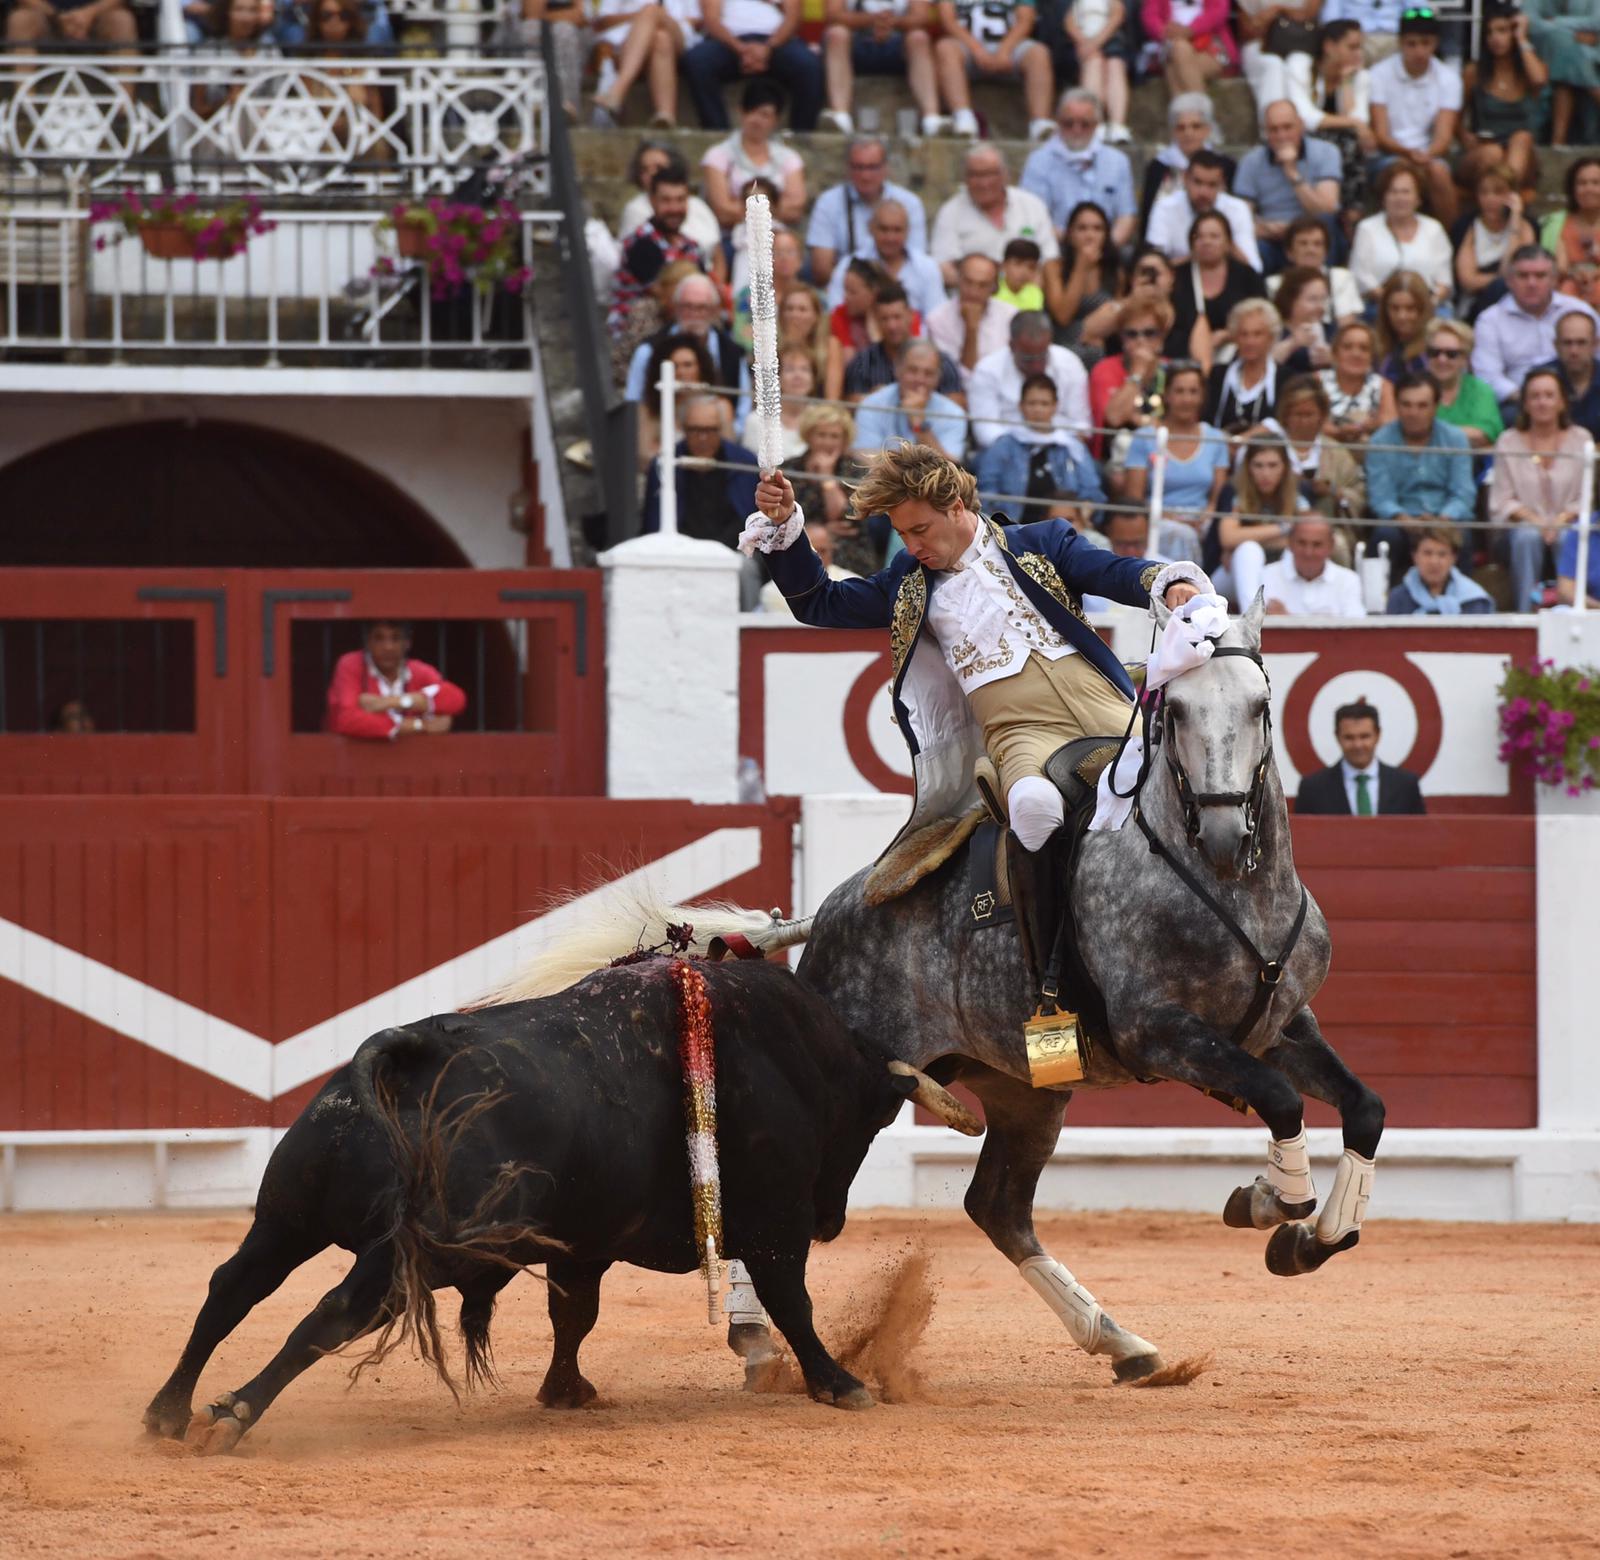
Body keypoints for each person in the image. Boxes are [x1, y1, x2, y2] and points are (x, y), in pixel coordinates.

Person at [745, 441, 1205, 1036]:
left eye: (920, 530)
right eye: (902, 534)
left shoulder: (1041, 542)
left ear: (958, 507)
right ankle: (1051, 994)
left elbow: (1109, 570)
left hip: (1105, 708)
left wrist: (1165, 584)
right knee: (1033, 807)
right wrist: (786, 527)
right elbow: (819, 602)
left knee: (1194, 786)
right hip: (1019, 732)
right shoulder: (910, 584)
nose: (912, 545)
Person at [1489, 368, 1592, 611]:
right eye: (1534, 396)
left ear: (1562, 402)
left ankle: (1571, 612)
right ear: (1525, 404)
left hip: (1568, 523)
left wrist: (1560, 521)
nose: (1542, 402)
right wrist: (1538, 522)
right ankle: (1525, 614)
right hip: (1519, 530)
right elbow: (1502, 500)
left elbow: (1587, 497)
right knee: (1528, 536)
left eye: (1549, 395)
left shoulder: (1581, 439)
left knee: (1567, 537)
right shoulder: (1508, 441)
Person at [1366, 372, 1476, 575]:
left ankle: (1462, 594)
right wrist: (1405, 520)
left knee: (1462, 535)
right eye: (1406, 405)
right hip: (1401, 522)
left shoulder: (1455, 438)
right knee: (1385, 535)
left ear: (1435, 406)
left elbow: (1463, 493)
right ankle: (1379, 595)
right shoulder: (1380, 441)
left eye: (1422, 406)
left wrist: (1442, 520)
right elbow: (1381, 498)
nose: (1413, 413)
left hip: (1445, 519)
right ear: (1396, 405)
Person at [1121, 362, 1231, 557]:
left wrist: (1204, 519)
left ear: (1202, 396)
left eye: (1193, 392)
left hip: (1203, 522)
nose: (1186, 399)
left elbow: (1217, 499)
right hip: (1157, 520)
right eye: (1179, 391)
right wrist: (1175, 519)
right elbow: (1135, 499)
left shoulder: (1216, 439)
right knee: (1182, 534)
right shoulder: (1144, 437)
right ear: (1167, 395)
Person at [1367, 6, 1461, 229]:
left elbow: (1444, 136)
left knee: (1439, 171)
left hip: (1429, 156)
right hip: (1389, 155)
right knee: (1398, 171)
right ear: (1400, 43)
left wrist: (1426, 155)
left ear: (1435, 43)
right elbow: (1381, 134)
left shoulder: (1449, 78)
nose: (1419, 51)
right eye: (1412, 44)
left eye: (1426, 43)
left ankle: (1451, 239)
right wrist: (1409, 153)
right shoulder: (1379, 74)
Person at [1473, 243, 1600, 407]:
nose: (1531, 283)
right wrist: (1533, 399)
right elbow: (1487, 376)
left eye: (1540, 276)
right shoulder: (1490, 320)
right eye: (1523, 276)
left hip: (1582, 398)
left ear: (1554, 280)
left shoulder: (1579, 311)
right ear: (1509, 281)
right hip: (1519, 403)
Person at [975, 372, 1107, 526]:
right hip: (1013, 529)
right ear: (1021, 406)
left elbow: (1092, 491)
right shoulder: (1002, 446)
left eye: (1044, 404)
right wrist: (1002, 524)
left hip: (1064, 531)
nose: (1038, 409)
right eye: (1032, 403)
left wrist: (1082, 516)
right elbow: (987, 490)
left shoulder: (1072, 446)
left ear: (1055, 407)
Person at [1021, 88, 1139, 250]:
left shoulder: (1118, 161)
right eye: (1069, 124)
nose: (1077, 130)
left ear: (1096, 124)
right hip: (1056, 248)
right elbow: (1032, 217)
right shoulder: (1038, 161)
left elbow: (1126, 216)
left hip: (1108, 249)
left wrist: (1105, 247)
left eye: (1085, 124)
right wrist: (1076, 244)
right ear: (1057, 122)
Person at [1234, 101, 1343, 276]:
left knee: (1327, 223)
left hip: (1311, 231)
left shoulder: (1327, 152)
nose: (1281, 136)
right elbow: (1241, 217)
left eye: (1287, 127)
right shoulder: (1251, 162)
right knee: (1254, 248)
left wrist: (1292, 173)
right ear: (1265, 131)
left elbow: (1327, 207)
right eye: (1274, 130)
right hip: (1272, 237)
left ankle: (1325, 283)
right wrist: (1263, 228)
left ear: (1301, 125)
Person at [1284, 18, 1376, 226]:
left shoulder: (1360, 76)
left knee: (1351, 140)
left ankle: (1350, 212)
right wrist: (1354, 124)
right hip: (1306, 138)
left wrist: (1346, 83)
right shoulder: (1301, 65)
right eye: (1352, 47)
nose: (1358, 54)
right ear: (1329, 46)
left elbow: (1360, 119)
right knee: (1348, 141)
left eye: (1360, 47)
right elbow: (1306, 117)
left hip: (1345, 144)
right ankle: (1344, 211)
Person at [681, 0, 824, 133]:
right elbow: (711, 20)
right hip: (728, 41)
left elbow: (793, 18)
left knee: (809, 66)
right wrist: (740, 48)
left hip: (776, 41)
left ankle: (801, 136)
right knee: (697, 61)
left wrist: (768, 47)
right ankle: (718, 133)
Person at [806, 135, 928, 288]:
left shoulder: (910, 203)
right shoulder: (828, 202)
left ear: (886, 167)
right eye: (859, 167)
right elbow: (821, 270)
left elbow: (916, 263)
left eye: (872, 167)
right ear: (848, 168)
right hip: (845, 290)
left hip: (900, 290)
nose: (865, 176)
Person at [642, 394, 761, 550]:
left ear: (720, 429)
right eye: (695, 430)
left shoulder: (744, 463)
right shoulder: (665, 464)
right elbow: (654, 523)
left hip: (734, 552)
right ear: (683, 429)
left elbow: (751, 522)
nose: (703, 438)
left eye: (710, 430)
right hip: (676, 552)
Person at [930, 144, 1060, 286]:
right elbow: (943, 267)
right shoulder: (950, 212)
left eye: (990, 174)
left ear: (1005, 175)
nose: (984, 183)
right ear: (965, 178)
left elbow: (1050, 261)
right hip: (974, 295)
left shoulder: (1032, 206)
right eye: (975, 175)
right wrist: (984, 286)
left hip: (1028, 294)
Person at [1257, 373, 1368, 538]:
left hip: (1326, 534)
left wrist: (1333, 491)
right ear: (1285, 415)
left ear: (1321, 416)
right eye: (1298, 414)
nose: (1303, 421)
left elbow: (1358, 496)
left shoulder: (1337, 452)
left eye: (1309, 414)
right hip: (1272, 530)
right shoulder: (1267, 447)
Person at [933, 0, 1058, 143]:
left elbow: (1025, 20)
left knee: (1038, 53)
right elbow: (948, 20)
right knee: (945, 48)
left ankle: (1040, 122)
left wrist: (1004, 50)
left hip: (1010, 48)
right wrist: (977, 50)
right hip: (966, 47)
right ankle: (963, 117)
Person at [1457, 3, 1544, 197]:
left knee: (1522, 138)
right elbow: (1456, 116)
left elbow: (1539, 79)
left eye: (1503, 31)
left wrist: (1522, 38)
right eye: (1490, 32)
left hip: (1520, 154)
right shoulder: (1474, 72)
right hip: (1484, 149)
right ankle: (1502, 202)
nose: (1495, 38)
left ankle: (1505, 201)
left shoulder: (1527, 72)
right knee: (1493, 153)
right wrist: (1465, 137)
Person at [609, 167, 709, 337]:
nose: (674, 208)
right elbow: (668, 296)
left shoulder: (691, 245)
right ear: (652, 201)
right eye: (666, 200)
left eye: (680, 200)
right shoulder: (640, 243)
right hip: (640, 331)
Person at [969, 311, 1092, 449]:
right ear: (1012, 346)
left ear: (1049, 342)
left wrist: (1050, 444)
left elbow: (1081, 425)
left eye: (1042, 356)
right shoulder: (987, 370)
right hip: (1006, 450)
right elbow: (985, 430)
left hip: (1060, 448)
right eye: (1029, 359)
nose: (1037, 365)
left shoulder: (1070, 364)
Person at [325, 621, 465, 741]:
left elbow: (456, 699)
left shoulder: (417, 670)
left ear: (407, 643)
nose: (388, 647)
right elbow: (347, 720)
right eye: (379, 638)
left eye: (396, 638)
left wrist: (390, 702)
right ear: (368, 642)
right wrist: (419, 725)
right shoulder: (351, 664)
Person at [820, 0, 942, 138]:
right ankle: (840, 118)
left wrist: (893, 22)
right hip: (856, 42)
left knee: (919, 37)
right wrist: (871, 20)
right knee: (836, 34)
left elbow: (921, 17)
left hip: (898, 42)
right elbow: (833, 14)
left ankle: (931, 120)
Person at [624, 271, 747, 408]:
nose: (694, 314)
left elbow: (743, 404)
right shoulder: (648, 351)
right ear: (676, 308)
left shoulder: (732, 352)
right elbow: (633, 403)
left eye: (702, 307)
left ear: (714, 310)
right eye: (687, 306)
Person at [700, 79, 807, 231]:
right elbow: (723, 211)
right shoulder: (717, 156)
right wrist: (775, 206)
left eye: (765, 115)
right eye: (751, 112)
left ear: (776, 120)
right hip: (731, 236)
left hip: (777, 236)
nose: (757, 120)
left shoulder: (789, 158)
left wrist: (740, 206)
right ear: (741, 112)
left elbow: (795, 208)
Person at [1213, 436, 1308, 608]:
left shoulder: (1297, 491)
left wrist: (1245, 537)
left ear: (1284, 467)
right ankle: (1252, 616)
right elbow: (1228, 537)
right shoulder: (1234, 489)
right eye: (1258, 465)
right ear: (1248, 467)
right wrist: (1284, 527)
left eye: (1273, 465)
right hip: (1232, 574)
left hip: (1278, 571)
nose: (1265, 473)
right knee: (1249, 550)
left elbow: (1307, 534)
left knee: (1293, 551)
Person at [1348, 162, 1453, 307]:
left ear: (1418, 198)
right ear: (1383, 197)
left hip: (1429, 306)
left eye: (1406, 192)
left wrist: (1427, 305)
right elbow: (1360, 276)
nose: (1399, 198)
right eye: (1393, 191)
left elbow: (1444, 281)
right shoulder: (1367, 228)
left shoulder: (1434, 229)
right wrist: (1395, 304)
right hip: (1378, 306)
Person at [824, 198, 947, 320]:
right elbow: (835, 312)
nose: (890, 238)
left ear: (908, 231)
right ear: (871, 228)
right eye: (884, 229)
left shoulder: (927, 267)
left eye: (897, 230)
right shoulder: (848, 265)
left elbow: (936, 318)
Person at [1294, 700, 1426, 814]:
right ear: (1337, 736)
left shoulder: (1406, 785)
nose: (1357, 745)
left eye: (1364, 736)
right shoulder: (1313, 788)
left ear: (1377, 735)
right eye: (1349, 737)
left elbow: (1419, 831)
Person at [843, 281, 965, 402]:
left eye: (897, 317)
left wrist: (927, 400)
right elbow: (850, 404)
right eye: (884, 319)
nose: (892, 326)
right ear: (876, 321)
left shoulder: (940, 361)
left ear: (911, 315)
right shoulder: (862, 363)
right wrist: (878, 398)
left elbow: (957, 404)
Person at [1145, 150, 1263, 272]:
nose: (1204, 192)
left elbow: (1255, 268)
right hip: (1177, 278)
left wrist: (1226, 244)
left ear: (1222, 184)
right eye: (1198, 182)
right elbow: (1153, 266)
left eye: (1212, 185)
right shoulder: (1165, 207)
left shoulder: (1237, 209)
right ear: (1185, 179)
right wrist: (1198, 256)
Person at [1137, 93, 1235, 237]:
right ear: (1173, 132)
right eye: (1181, 127)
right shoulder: (1158, 167)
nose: (1188, 133)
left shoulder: (1226, 165)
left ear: (1207, 129)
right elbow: (1147, 217)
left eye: (1196, 126)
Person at [853, 340, 970, 461]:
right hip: (880, 474)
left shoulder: (954, 414)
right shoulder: (872, 404)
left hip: (926, 475)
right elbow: (865, 457)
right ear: (897, 369)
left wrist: (920, 424)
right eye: (913, 370)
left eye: (928, 373)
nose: (920, 379)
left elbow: (949, 467)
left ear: (938, 377)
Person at [587, 1, 693, 129]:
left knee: (651, 11)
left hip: (679, 33)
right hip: (628, 40)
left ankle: (618, 90)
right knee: (661, 38)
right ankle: (665, 114)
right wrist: (641, 18)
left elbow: (696, 18)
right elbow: (603, 20)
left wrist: (651, 16)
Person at [1045, 201, 1123, 366]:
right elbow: (1062, 316)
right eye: (1082, 228)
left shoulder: (1115, 272)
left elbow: (1118, 320)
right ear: (1070, 234)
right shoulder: (1054, 267)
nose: (1090, 235)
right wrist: (1081, 268)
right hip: (1062, 344)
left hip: (1101, 349)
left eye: (1097, 229)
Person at [1454, 160, 1535, 318]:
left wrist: (1514, 221)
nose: (1490, 199)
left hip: (1516, 299)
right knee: (1499, 286)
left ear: (1512, 195)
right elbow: (1468, 281)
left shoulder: (1525, 227)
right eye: (1484, 192)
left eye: (1498, 192)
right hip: (1476, 302)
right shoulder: (1468, 227)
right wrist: (1503, 278)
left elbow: (1519, 270)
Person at [615, 142, 722, 260]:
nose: (652, 174)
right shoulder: (636, 214)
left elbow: (717, 251)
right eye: (645, 169)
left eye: (658, 167)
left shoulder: (698, 206)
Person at [783, 404, 869, 550]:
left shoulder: (856, 470)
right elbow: (783, 518)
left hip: (845, 546)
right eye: (821, 435)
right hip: (796, 541)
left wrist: (826, 476)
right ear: (809, 436)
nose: (827, 442)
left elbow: (847, 518)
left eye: (834, 436)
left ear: (844, 440)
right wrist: (819, 532)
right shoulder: (789, 469)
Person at [928, 253, 1017, 392]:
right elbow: (959, 378)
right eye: (968, 282)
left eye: (983, 285)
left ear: (994, 287)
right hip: (957, 394)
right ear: (958, 280)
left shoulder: (1010, 316)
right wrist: (971, 329)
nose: (974, 292)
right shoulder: (937, 319)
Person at [639, 331, 721, 469]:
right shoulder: (650, 410)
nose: (681, 372)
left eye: (688, 365)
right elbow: (644, 458)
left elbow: (724, 455)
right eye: (674, 366)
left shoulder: (720, 406)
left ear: (701, 367)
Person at [1528, 0, 1600, 149]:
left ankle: (1557, 142)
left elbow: (1597, 22)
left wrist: (1556, 22)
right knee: (1562, 48)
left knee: (1565, 62)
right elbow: (1532, 24)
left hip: (1591, 54)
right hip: (1547, 56)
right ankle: (1594, 88)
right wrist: (1571, 34)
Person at [1261, 515, 1368, 615]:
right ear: (1290, 543)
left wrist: (1287, 619)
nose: (1308, 552)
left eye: (1317, 545)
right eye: (1302, 543)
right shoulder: (1267, 575)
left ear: (1331, 546)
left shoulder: (1348, 580)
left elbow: (1356, 626)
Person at [1423, 317, 1503, 449]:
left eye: (1451, 354)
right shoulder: (1413, 389)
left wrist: (1429, 433)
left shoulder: (1480, 390)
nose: (1442, 359)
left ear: (1465, 359)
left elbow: (1483, 435)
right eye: (1434, 353)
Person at [1206, 297, 1283, 434]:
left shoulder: (1285, 379)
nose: (1250, 341)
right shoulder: (1217, 376)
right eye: (1244, 334)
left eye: (1257, 334)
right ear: (1235, 337)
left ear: (1271, 337)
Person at [1127, 246, 1214, 364]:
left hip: (1175, 374)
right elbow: (1098, 329)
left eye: (1156, 273)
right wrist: (1132, 299)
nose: (1150, 279)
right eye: (1144, 272)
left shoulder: (1191, 315)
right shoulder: (1120, 312)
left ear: (1171, 277)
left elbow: (1203, 364)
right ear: (1132, 279)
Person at [1062, 0, 1132, 144]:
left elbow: (1117, 15)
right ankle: (1095, 121)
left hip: (1109, 39)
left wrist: (1095, 43)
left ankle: (1118, 125)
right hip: (1080, 43)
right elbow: (1068, 21)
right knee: (1094, 62)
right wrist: (1083, 42)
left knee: (1115, 64)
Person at [1319, 319, 1397, 447]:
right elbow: (1307, 424)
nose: (1356, 354)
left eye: (1364, 348)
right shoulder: (1317, 381)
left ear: (1372, 356)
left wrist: (1374, 425)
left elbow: (1390, 425)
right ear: (1335, 353)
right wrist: (1339, 432)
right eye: (1347, 347)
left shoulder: (1383, 386)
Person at [1386, 522, 1495, 614]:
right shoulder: (1398, 598)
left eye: (1442, 554)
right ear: (1415, 556)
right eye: (1427, 553)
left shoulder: (1474, 599)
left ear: (1453, 558)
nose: (1434, 562)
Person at [1138, 0, 1238, 99]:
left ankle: (1188, 109)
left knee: (1173, 66)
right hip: (1172, 43)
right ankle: (1199, 107)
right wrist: (1164, 32)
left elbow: (1218, 11)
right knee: (1179, 48)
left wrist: (1190, 30)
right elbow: (1150, 15)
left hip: (1211, 48)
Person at [1539, 156, 1600, 313]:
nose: (1589, 189)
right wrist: (1575, 274)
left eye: (1595, 183)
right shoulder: (1555, 223)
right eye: (1582, 183)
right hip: (1568, 287)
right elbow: (1557, 266)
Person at [744, 346, 819, 465]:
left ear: (813, 379)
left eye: (805, 369)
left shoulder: (822, 421)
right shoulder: (756, 421)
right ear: (777, 378)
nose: (798, 375)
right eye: (790, 369)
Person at [1534, 308, 1600, 437]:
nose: (1574, 351)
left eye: (1581, 343)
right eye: (1567, 343)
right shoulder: (1540, 379)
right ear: (1556, 345)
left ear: (1595, 344)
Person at [826, 256, 886, 398]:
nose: (846, 297)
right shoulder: (839, 315)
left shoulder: (898, 314)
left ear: (874, 291)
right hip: (850, 391)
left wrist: (876, 336)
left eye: (852, 292)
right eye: (845, 290)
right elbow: (849, 363)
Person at [1272, 265, 1335, 375]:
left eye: (1323, 299)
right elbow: (1263, 365)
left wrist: (1335, 359)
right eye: (1313, 299)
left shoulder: (1333, 332)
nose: (1320, 306)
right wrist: (1292, 343)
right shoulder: (1274, 332)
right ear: (1290, 300)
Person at [1374, 269, 1433, 383]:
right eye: (1394, 308)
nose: (1401, 316)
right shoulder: (1374, 346)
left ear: (1423, 310)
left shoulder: (1436, 348)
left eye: (1410, 308)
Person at [4, 0, 136, 48]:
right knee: (21, 19)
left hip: (98, 19)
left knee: (122, 20)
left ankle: (124, 102)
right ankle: (24, 101)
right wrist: (56, 16)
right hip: (46, 19)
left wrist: (89, 14)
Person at [997, 239, 1045, 312]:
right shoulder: (992, 290)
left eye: (1031, 267)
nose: (1024, 272)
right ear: (1003, 265)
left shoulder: (1036, 293)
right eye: (1018, 264)